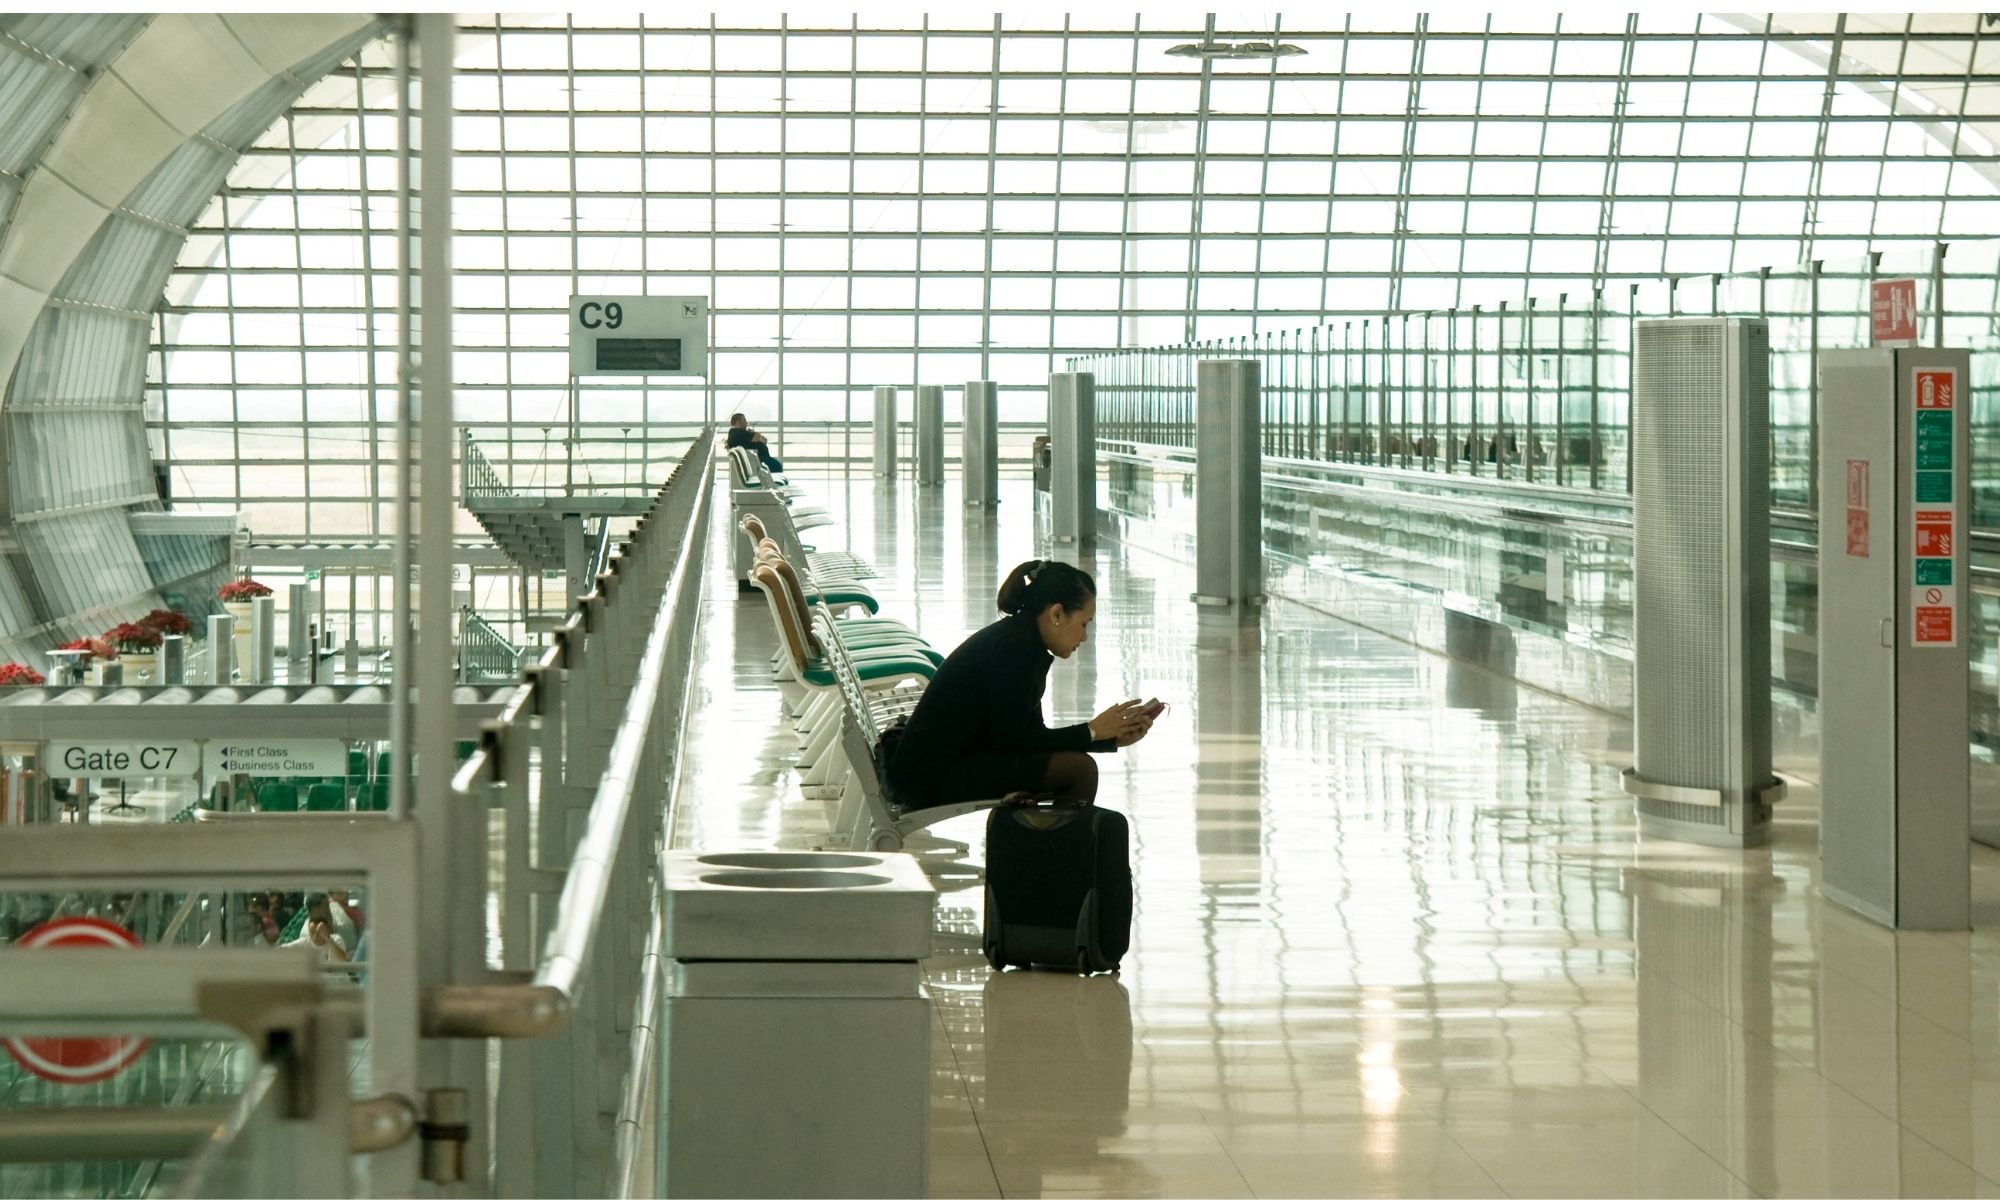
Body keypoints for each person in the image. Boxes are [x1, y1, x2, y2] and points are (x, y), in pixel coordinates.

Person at [887, 559, 1154, 810]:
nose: (1084, 637)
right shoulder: (1017, 650)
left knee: (1076, 767)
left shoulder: (1021, 640)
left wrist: (1106, 737)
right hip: (927, 779)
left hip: (938, 765)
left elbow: (1028, 737)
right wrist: (1091, 732)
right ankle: (1057, 856)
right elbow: (1015, 743)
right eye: (1084, 623)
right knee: (1079, 770)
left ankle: (1053, 853)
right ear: (1057, 614)